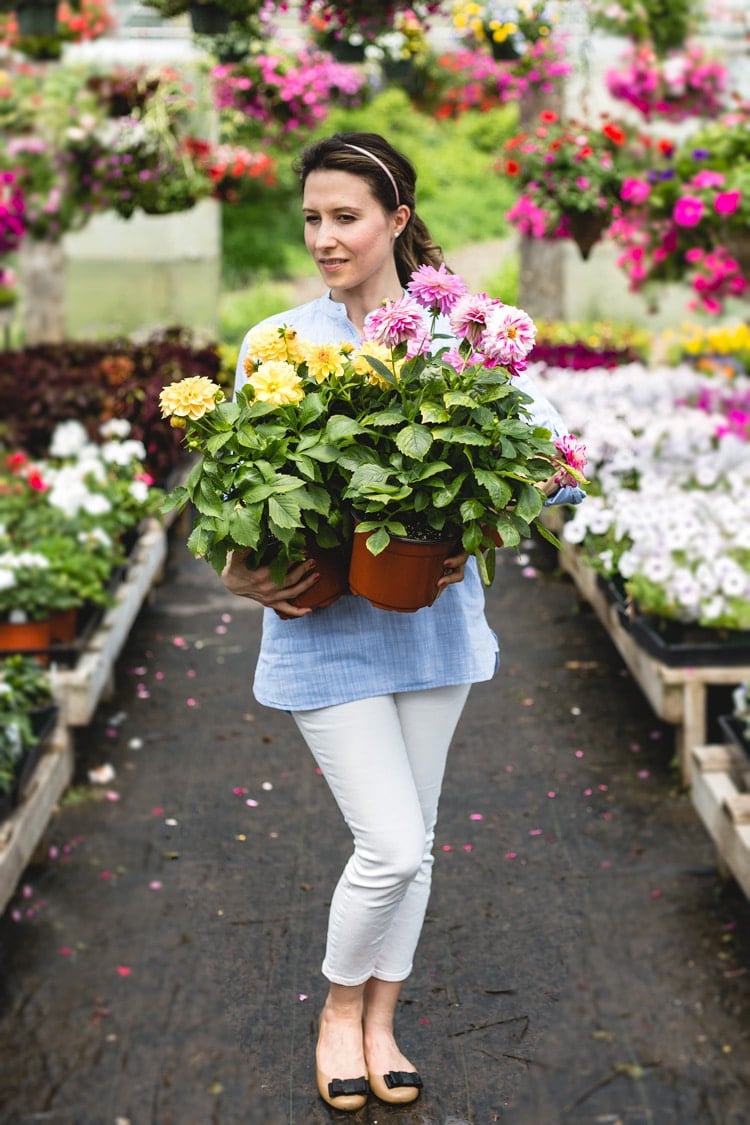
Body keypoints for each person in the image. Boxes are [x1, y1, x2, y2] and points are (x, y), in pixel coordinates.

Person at [221, 132, 584, 1112]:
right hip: (321, 629)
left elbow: (552, 467)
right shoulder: (277, 344)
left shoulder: (458, 336)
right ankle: (340, 1010)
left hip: (431, 625)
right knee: (388, 842)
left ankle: (384, 1021)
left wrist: (510, 507)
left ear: (396, 220)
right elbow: (237, 502)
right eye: (313, 219)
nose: (326, 238)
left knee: (413, 840)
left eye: (346, 217)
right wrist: (240, 570)